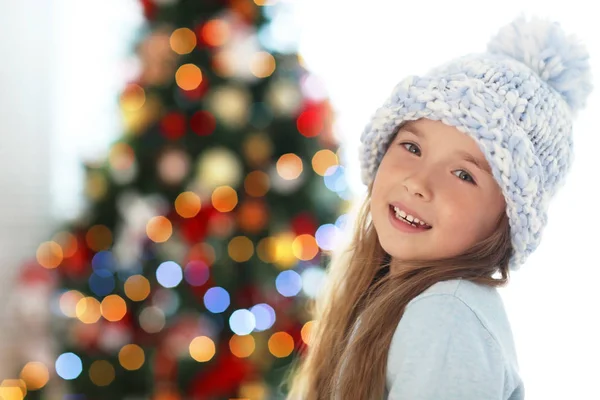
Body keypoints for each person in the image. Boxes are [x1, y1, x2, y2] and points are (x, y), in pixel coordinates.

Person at [282, 14, 593, 400]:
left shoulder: (446, 317)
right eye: (412, 148)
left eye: (463, 174)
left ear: (507, 219)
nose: (418, 183)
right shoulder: (398, 301)